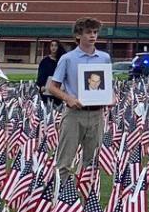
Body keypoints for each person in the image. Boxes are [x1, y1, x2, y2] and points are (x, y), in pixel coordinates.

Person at [46, 18, 111, 179]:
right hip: (74, 114)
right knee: (65, 160)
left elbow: (108, 85)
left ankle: (87, 197)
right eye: (88, 32)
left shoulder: (104, 58)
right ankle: (60, 198)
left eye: (95, 32)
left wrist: (111, 97)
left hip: (97, 114)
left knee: (92, 161)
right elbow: (52, 87)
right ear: (78, 35)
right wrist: (68, 98)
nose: (92, 36)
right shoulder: (67, 58)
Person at [35, 41, 61, 105]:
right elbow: (40, 75)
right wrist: (41, 86)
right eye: (52, 45)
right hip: (46, 90)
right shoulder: (45, 61)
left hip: (59, 90)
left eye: (55, 45)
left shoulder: (61, 60)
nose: (53, 47)